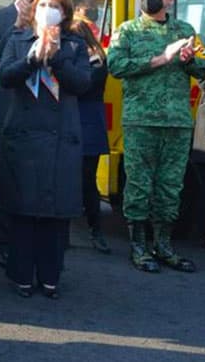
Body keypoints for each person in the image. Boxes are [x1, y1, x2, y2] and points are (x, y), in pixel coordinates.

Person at [107, 0, 205, 273]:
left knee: (170, 187)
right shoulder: (126, 31)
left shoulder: (186, 30)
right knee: (139, 186)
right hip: (140, 121)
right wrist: (161, 59)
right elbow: (115, 66)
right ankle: (139, 247)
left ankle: (164, 246)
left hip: (177, 122)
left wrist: (189, 58)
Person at [0, 0, 91, 298]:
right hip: (24, 137)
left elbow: (82, 83)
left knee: (53, 213)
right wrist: (33, 58)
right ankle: (21, 275)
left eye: (55, 5)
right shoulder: (18, 39)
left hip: (61, 138)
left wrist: (57, 57)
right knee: (23, 211)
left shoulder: (75, 45)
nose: (49, 9)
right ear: (34, 9)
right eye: (43, 4)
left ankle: (50, 277)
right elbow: (5, 77)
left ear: (64, 13)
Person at [0, 0, 41, 268]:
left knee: (34, 179)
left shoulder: (48, 15)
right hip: (7, 110)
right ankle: (3, 242)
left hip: (40, 112)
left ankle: (31, 241)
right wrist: (16, 27)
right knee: (7, 180)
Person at [70, 19, 111, 253]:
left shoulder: (94, 62)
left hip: (82, 123)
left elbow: (80, 87)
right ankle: (94, 232)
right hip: (89, 125)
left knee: (83, 181)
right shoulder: (97, 59)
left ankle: (94, 230)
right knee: (86, 182)